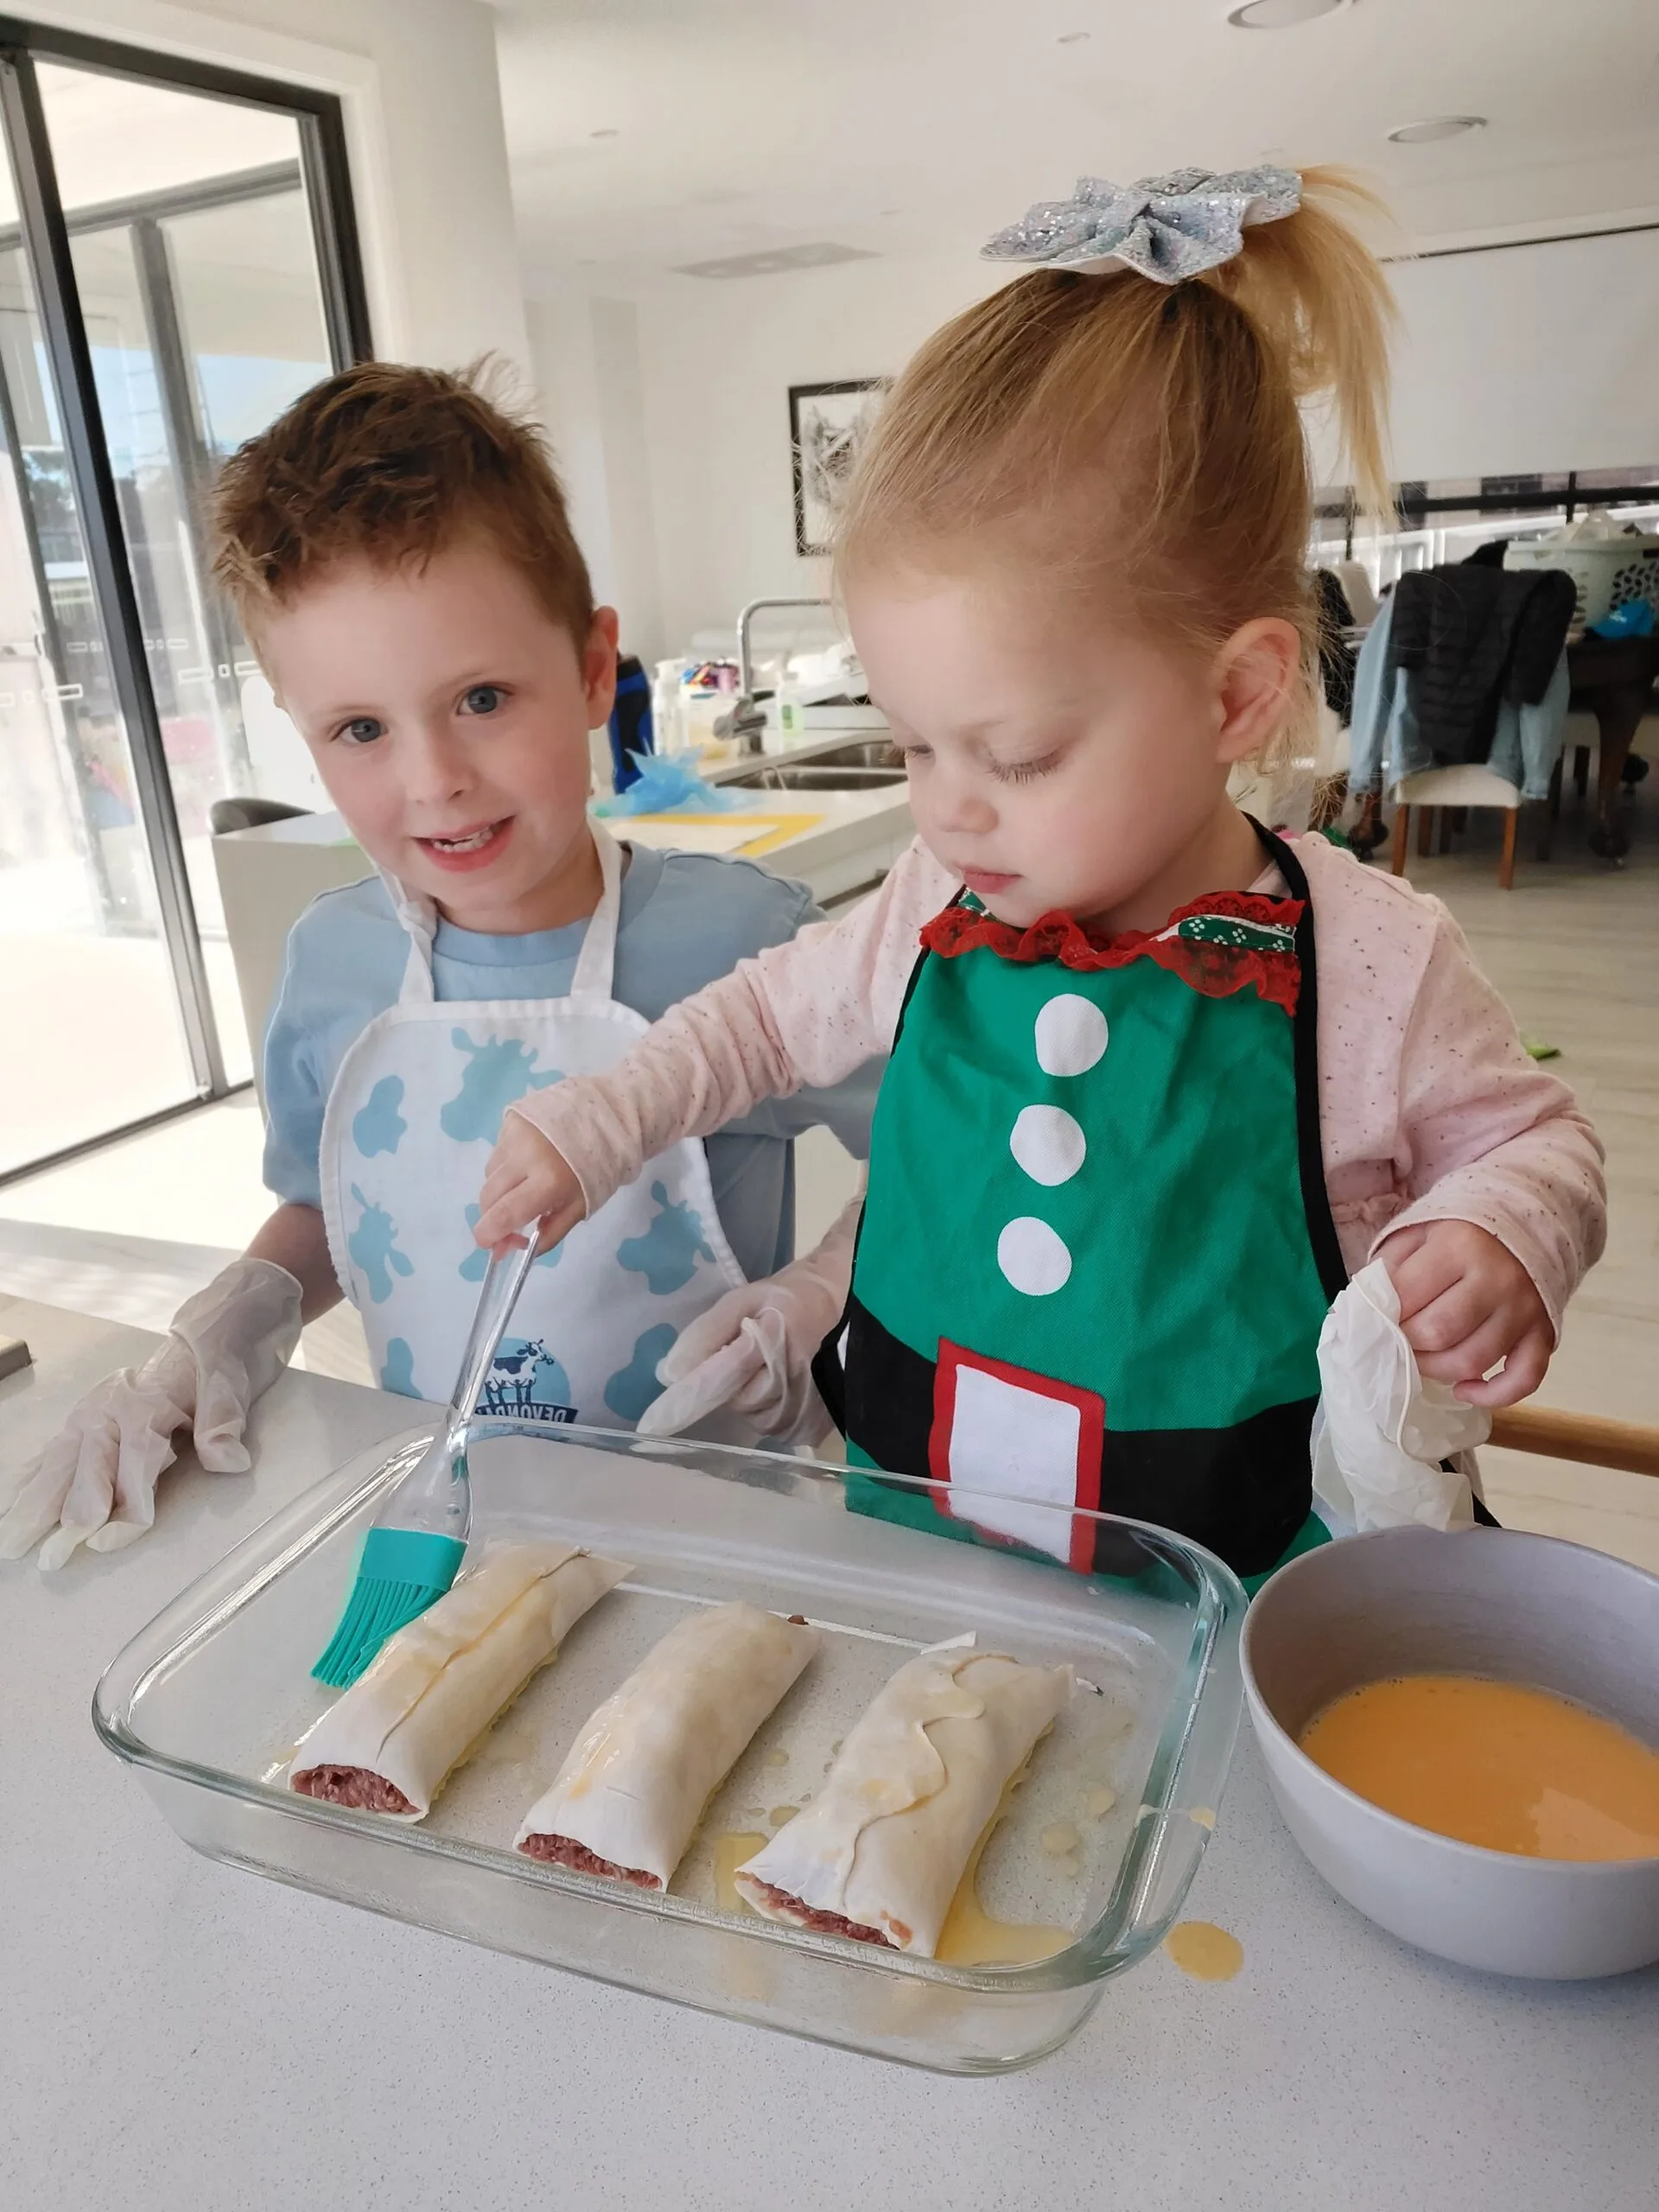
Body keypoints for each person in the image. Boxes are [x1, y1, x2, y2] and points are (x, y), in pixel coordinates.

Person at [471, 168, 1606, 1590]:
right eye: (914, 745)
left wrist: (1499, 1231)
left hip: (1243, 1604)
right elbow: (758, 1027)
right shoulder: (931, 909)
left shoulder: (1371, 958)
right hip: (932, 1566)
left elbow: (1539, 1146)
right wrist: (596, 1122)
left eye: (1013, 754)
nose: (947, 808)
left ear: (1235, 695)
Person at [0, 363, 874, 1567]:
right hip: (443, 1531)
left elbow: (942, 1150)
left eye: (479, 698)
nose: (433, 781)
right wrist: (224, 1330)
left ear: (587, 670)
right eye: (360, 730)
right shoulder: (334, 960)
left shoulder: (737, 943)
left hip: (715, 1552)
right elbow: (327, 1207)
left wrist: (823, 1298)